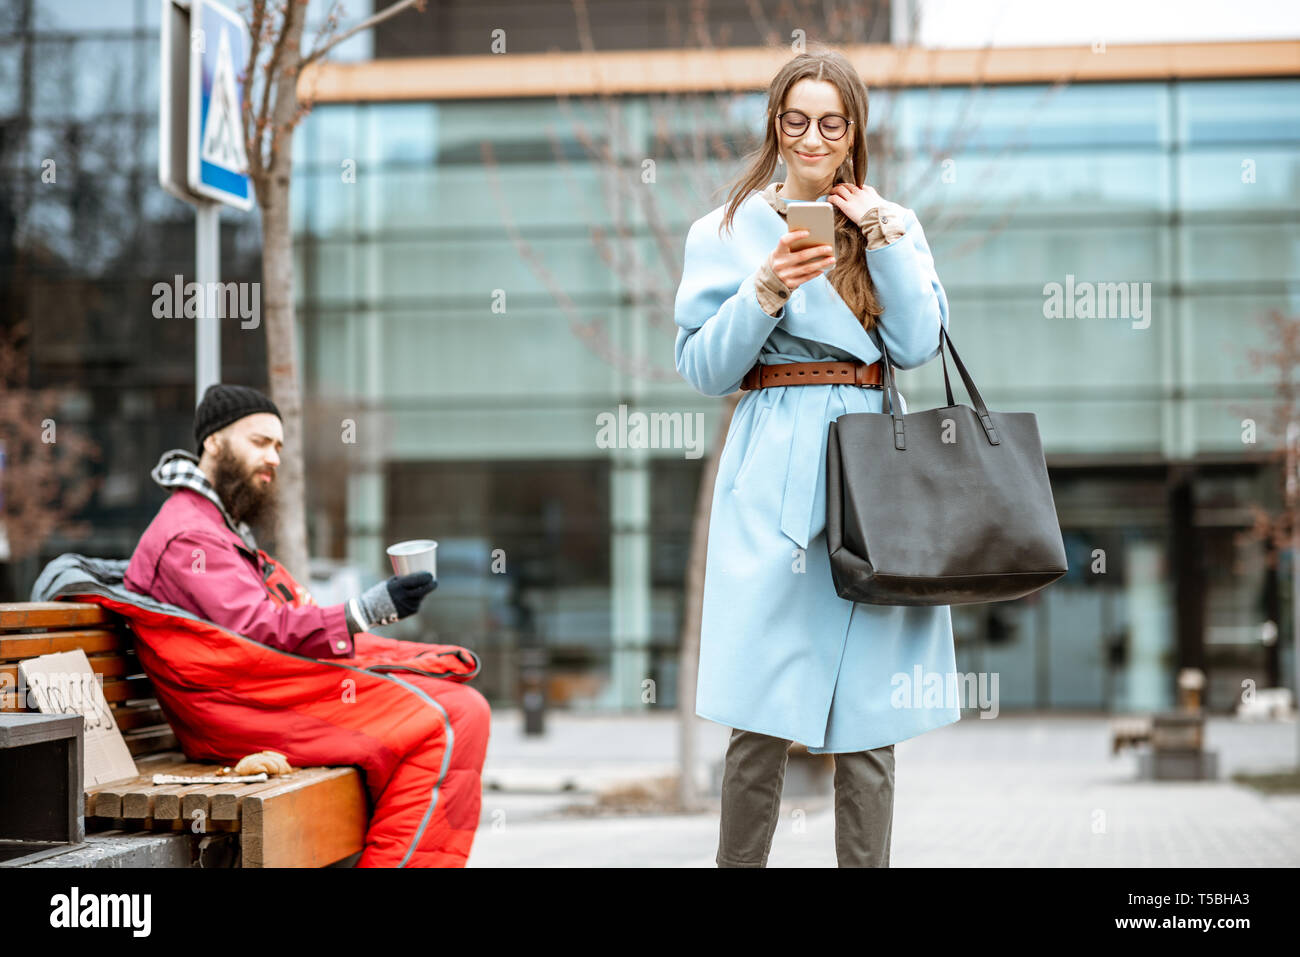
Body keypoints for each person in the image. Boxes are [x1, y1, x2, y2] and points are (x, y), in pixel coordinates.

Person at [673, 49, 960, 867]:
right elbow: (702, 369)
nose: (810, 137)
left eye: (830, 122)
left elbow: (916, 344)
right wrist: (762, 291)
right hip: (772, 461)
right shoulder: (724, 231)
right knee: (759, 719)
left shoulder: (890, 220)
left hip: (871, 466)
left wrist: (885, 241)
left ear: (854, 131)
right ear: (774, 123)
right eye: (794, 119)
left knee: (870, 723)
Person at [122, 383, 490, 867]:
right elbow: (259, 628)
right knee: (450, 719)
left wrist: (380, 628)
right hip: (241, 708)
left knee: (455, 704)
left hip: (255, 695)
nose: (273, 457)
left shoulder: (211, 525)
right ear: (213, 442)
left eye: (278, 446)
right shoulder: (191, 534)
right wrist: (366, 609)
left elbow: (266, 624)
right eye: (258, 442)